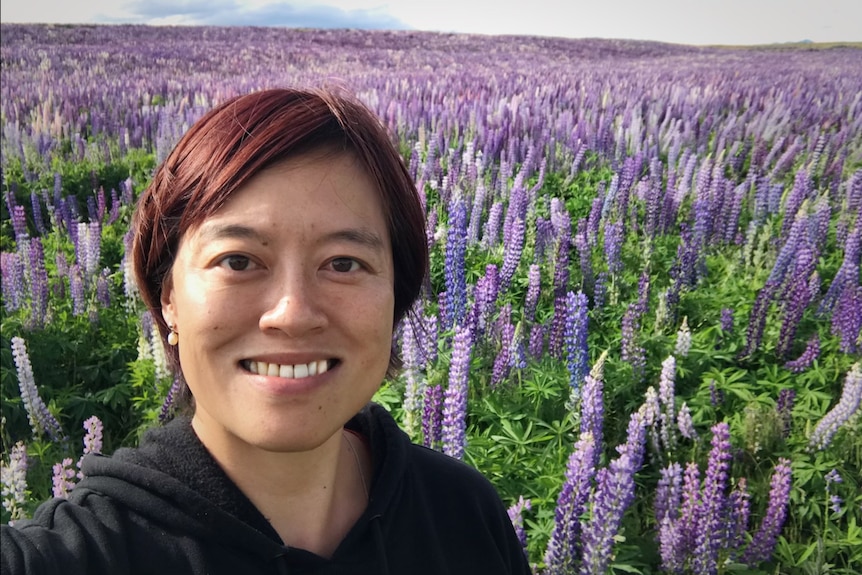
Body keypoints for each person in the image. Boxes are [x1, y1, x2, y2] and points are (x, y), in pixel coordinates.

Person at [1, 87, 533, 574]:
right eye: (237, 260)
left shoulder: (466, 515)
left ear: (397, 295)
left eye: (344, 263)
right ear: (169, 299)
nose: (293, 312)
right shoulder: (71, 555)